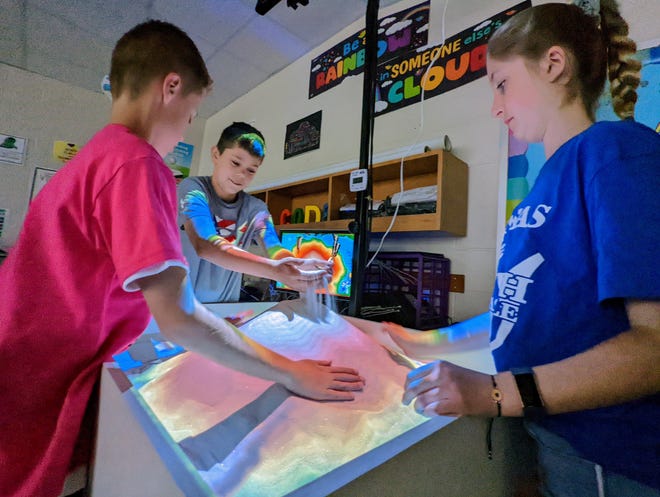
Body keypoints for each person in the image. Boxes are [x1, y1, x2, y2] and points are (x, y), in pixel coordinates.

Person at [0, 20, 363, 497]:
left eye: (251, 171)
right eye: (192, 113)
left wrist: (284, 263)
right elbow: (185, 301)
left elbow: (269, 241)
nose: (186, 128)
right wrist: (291, 369)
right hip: (43, 378)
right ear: (171, 88)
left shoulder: (99, 157)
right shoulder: (149, 169)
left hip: (24, 360)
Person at [380, 2, 660, 496]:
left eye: (501, 83)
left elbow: (654, 345)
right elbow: (512, 314)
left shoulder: (614, 151)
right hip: (553, 439)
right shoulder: (537, 190)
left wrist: (494, 392)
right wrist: (414, 341)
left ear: (554, 64)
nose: (495, 106)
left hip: (611, 456)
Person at [178, 122, 329, 303]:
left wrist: (296, 267)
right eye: (235, 163)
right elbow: (205, 245)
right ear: (216, 154)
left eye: (251, 170)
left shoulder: (256, 208)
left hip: (225, 310)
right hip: (176, 311)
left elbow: (274, 247)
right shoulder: (193, 189)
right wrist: (274, 270)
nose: (241, 175)